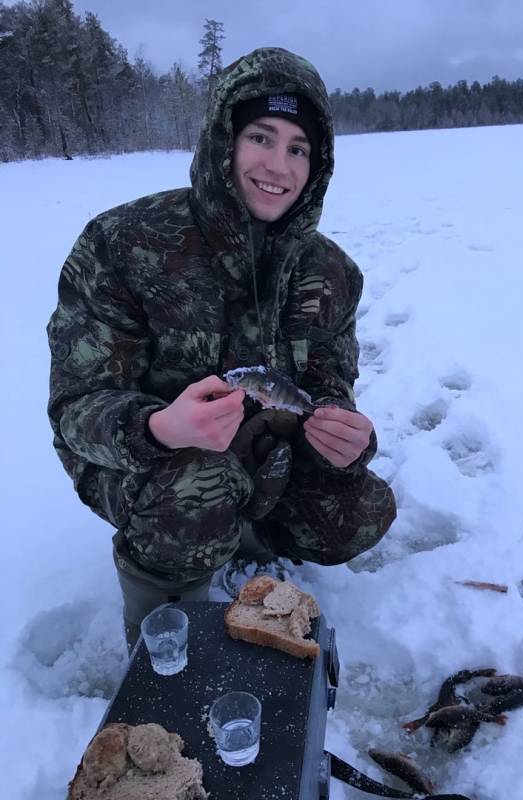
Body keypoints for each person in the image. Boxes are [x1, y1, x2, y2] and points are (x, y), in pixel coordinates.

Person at [47, 47, 396, 650]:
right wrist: (158, 428)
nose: (278, 165)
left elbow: (329, 384)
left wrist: (346, 435)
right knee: (197, 488)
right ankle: (162, 636)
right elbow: (76, 407)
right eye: (261, 136)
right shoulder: (122, 244)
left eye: (298, 148)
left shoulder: (333, 271)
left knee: (357, 508)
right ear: (222, 141)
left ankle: (247, 530)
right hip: (146, 463)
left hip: (267, 451)